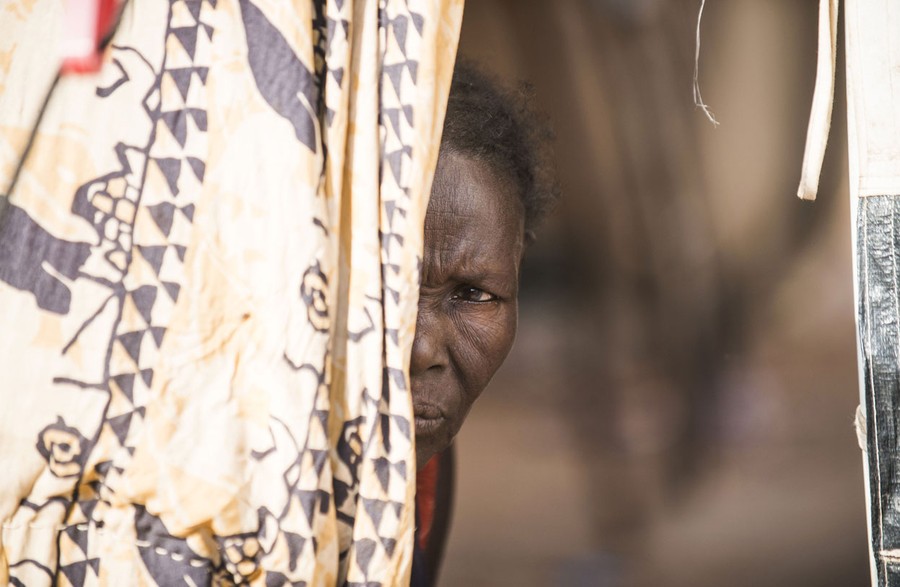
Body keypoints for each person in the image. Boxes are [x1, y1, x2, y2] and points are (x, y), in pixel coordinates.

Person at [410, 59, 558, 586]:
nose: (420, 349)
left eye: (473, 294)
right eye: (384, 292)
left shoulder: (429, 472)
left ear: (518, 262)